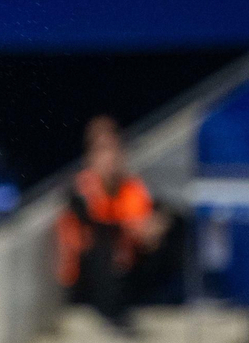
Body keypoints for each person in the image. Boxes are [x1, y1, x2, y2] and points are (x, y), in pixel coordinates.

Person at [56, 122, 166, 331]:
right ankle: (112, 314)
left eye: (115, 150)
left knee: (169, 228)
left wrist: (151, 228)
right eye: (103, 150)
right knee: (104, 241)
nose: (110, 158)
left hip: (125, 266)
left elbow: (143, 221)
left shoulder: (131, 186)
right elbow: (95, 222)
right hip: (85, 275)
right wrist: (130, 228)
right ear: (91, 156)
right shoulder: (81, 188)